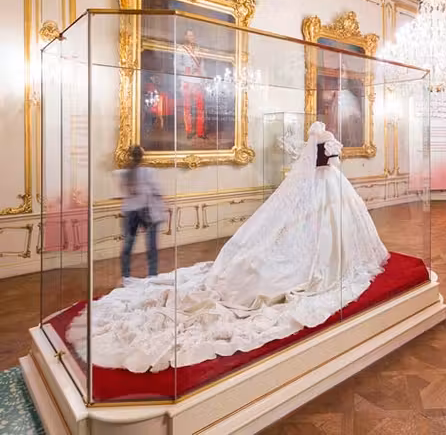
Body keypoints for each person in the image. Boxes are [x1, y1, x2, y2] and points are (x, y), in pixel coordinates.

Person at [67, 122, 389, 373]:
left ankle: (327, 262)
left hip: (330, 189)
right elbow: (313, 168)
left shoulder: (323, 141)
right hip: (323, 189)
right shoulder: (318, 139)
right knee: (297, 244)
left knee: (327, 235)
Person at [118, 146, 165, 283]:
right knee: (150, 245)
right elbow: (156, 190)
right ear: (141, 157)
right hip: (145, 211)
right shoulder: (146, 172)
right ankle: (151, 274)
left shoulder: (124, 173)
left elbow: (123, 191)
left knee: (129, 244)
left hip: (135, 211)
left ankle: (126, 276)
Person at [177, 28, 206, 140]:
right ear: (185, 37)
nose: (191, 37)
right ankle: (188, 130)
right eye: (189, 35)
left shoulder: (199, 49)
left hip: (198, 81)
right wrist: (188, 69)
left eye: (193, 35)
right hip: (187, 81)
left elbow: (202, 66)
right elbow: (176, 65)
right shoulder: (180, 49)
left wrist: (204, 79)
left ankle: (200, 132)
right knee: (187, 107)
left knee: (200, 108)